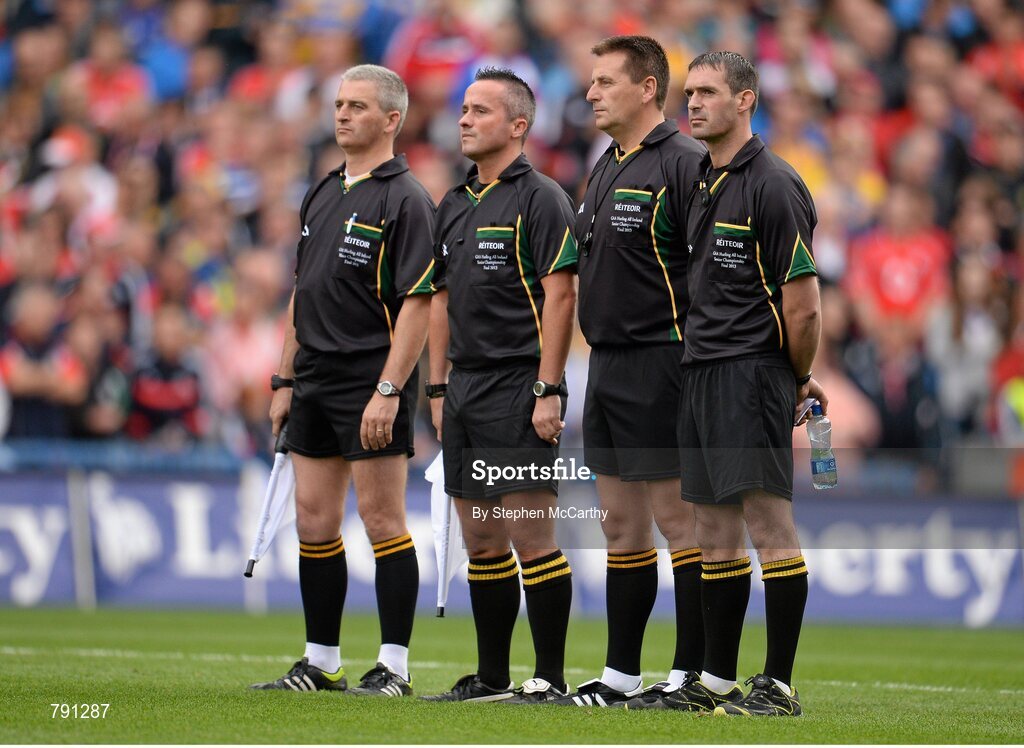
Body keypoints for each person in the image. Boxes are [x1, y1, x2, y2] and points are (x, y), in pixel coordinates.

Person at [251, 65, 435, 697]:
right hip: (313, 378)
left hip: (370, 376)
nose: (342, 115)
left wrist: (389, 389)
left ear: (391, 119)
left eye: (357, 106)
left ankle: (394, 667)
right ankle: (320, 660)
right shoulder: (323, 189)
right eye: (338, 104)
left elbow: (418, 303)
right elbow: (303, 293)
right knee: (313, 520)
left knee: (383, 518)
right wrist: (283, 377)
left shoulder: (406, 198)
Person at [554, 35, 708, 709]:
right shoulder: (606, 164)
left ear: (648, 88)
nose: (591, 92)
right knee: (620, 526)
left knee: (681, 523)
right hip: (608, 367)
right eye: (591, 82)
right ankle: (619, 675)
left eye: (606, 81)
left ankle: (689, 672)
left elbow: (710, 274)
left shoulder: (686, 163)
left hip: (664, 363)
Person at [422, 68, 578, 703]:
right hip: (463, 390)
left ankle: (549, 678)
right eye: (463, 108)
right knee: (482, 540)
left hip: (520, 386)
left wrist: (548, 388)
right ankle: (491, 678)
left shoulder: (542, 198)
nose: (464, 119)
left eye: (479, 110)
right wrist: (436, 389)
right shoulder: (453, 204)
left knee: (531, 536)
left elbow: (562, 295)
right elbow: (437, 298)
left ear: (518, 126)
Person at [678, 51, 826, 717]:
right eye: (690, 92)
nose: (694, 103)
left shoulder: (774, 183)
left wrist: (794, 377)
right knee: (713, 532)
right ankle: (714, 680)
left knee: (770, 526)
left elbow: (805, 306)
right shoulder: (703, 179)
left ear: (746, 100)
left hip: (752, 375)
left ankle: (780, 685)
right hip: (702, 372)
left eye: (708, 92)